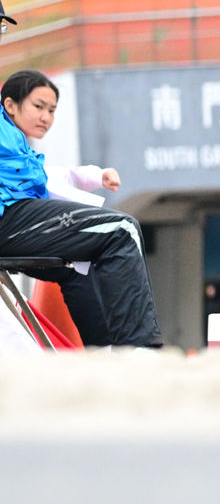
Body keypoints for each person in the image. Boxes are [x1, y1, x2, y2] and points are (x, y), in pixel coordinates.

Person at [0, 70, 162, 346]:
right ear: (10, 105)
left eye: (52, 110)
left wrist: (96, 176)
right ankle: (138, 346)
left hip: (17, 221)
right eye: (38, 106)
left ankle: (103, 352)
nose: (46, 117)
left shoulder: (21, 152)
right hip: (8, 221)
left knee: (78, 266)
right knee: (122, 229)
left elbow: (55, 177)